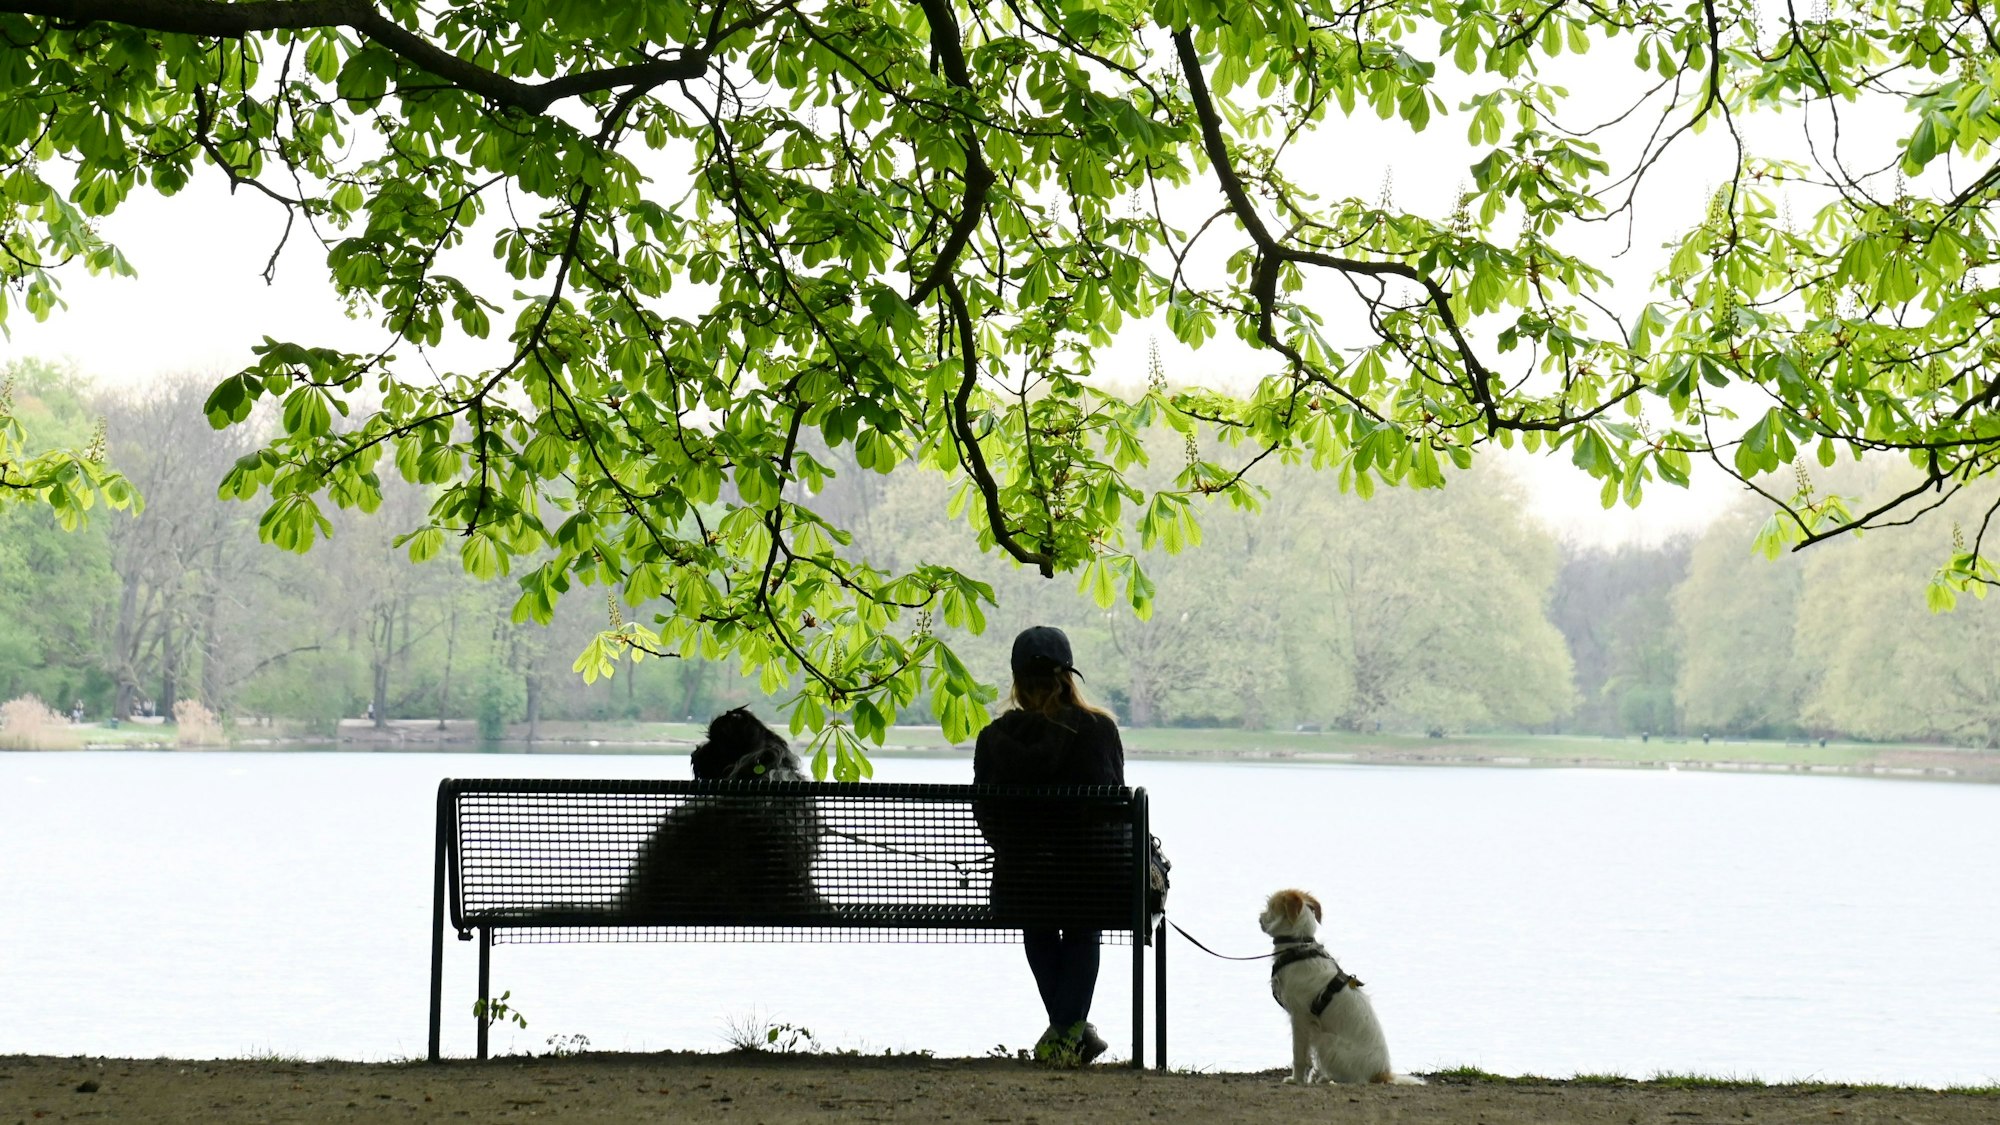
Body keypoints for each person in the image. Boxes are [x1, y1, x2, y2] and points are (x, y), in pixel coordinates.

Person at [974, 625, 1124, 1066]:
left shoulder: (995, 738)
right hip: (1091, 878)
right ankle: (1066, 1036)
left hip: (1022, 882)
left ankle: (1068, 1032)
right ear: (1068, 678)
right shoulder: (1098, 729)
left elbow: (987, 817)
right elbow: (1114, 806)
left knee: (1037, 920)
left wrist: (1021, 848)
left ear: (1017, 682)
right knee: (1083, 922)